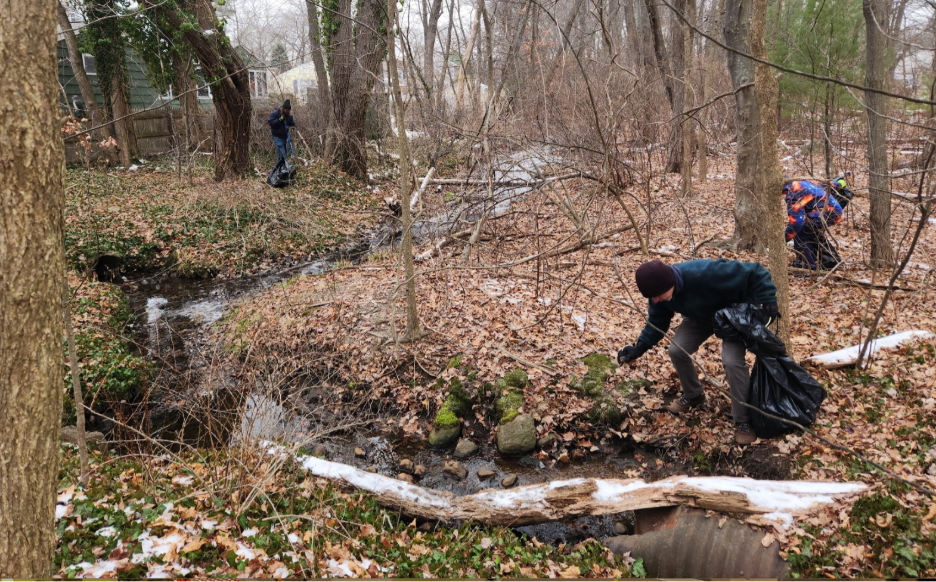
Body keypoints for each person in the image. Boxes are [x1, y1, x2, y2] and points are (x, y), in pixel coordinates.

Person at [617, 258, 781, 445]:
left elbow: (756, 272)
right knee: (676, 349)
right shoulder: (658, 294)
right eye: (651, 297)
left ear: (669, 283)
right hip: (700, 317)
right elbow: (656, 323)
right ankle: (694, 395)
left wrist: (768, 301)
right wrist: (639, 348)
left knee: (731, 361)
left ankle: (743, 420)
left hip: (732, 315)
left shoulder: (704, 273)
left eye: (657, 295)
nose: (655, 300)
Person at [784, 178, 844, 270]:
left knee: (801, 234)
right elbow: (831, 185)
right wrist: (841, 182)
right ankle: (827, 262)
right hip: (835, 211)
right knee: (810, 233)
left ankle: (807, 268)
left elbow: (795, 223)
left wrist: (783, 240)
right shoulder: (805, 182)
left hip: (826, 213)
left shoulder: (794, 194)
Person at [268, 99, 295, 166]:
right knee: (282, 153)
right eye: (285, 109)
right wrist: (279, 120)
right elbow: (271, 123)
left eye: (288, 110)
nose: (286, 111)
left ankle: (280, 169)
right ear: (282, 108)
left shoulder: (289, 116)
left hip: (285, 138)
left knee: (283, 154)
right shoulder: (275, 113)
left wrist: (289, 129)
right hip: (277, 137)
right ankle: (283, 168)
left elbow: (293, 125)